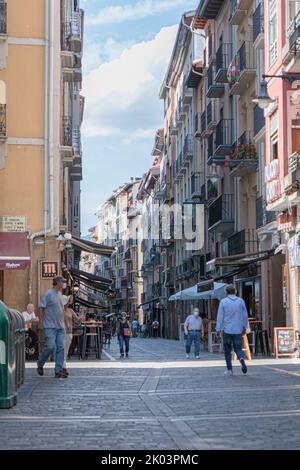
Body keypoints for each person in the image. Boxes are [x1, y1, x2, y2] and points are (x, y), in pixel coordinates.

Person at [37, 276, 67, 379]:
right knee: (50, 347)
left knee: (60, 348)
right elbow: (41, 307)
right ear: (58, 283)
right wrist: (41, 322)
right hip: (50, 326)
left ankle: (58, 370)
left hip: (60, 326)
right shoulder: (48, 294)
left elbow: (62, 310)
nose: (64, 284)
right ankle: (40, 363)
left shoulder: (60, 294)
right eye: (63, 282)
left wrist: (65, 323)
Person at [216, 284, 249, 376]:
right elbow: (245, 315)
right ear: (235, 292)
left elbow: (220, 316)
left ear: (226, 292)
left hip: (227, 330)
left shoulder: (223, 302)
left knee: (227, 350)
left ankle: (229, 369)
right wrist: (245, 327)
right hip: (238, 329)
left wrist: (218, 329)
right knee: (238, 348)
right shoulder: (240, 301)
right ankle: (241, 359)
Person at [62, 295, 80, 376]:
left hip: (69, 333)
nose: (67, 304)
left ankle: (62, 366)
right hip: (61, 332)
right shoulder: (59, 310)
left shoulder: (70, 310)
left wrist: (80, 319)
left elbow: (77, 320)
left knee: (65, 351)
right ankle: (64, 367)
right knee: (62, 351)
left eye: (68, 302)